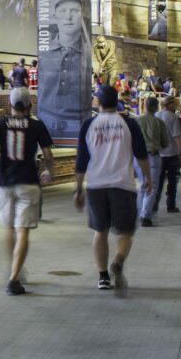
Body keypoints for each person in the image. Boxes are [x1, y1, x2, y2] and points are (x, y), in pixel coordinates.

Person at [0, 88, 55, 295]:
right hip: (28, 182)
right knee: (23, 231)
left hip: (5, 183)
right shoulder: (37, 126)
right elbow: (47, 153)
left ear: (10, 105)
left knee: (10, 229)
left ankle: (14, 269)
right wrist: (49, 170)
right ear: (29, 105)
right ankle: (14, 277)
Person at [73, 86, 150, 295]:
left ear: (98, 102)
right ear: (117, 101)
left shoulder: (89, 125)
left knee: (100, 231)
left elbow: (81, 160)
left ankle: (103, 277)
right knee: (124, 231)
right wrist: (148, 178)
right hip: (123, 185)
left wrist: (78, 188)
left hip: (96, 186)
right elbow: (141, 154)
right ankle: (118, 261)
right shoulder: (129, 123)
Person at [38, 0, 89, 138]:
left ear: (82, 15)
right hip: (45, 122)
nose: (68, 16)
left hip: (78, 125)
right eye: (63, 11)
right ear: (55, 16)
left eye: (74, 11)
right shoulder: (42, 54)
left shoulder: (88, 54)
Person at [134, 96, 170, 227]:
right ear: (156, 108)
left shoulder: (136, 121)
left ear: (145, 106)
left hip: (138, 157)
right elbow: (165, 143)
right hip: (154, 156)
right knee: (152, 186)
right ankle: (145, 215)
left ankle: (139, 213)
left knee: (142, 184)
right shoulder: (159, 123)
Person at [157, 97, 181, 213]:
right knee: (172, 181)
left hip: (158, 154)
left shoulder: (156, 115)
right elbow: (177, 137)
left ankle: (154, 205)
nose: (176, 106)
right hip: (171, 154)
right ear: (169, 104)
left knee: (158, 181)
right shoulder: (173, 117)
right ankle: (170, 204)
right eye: (175, 104)